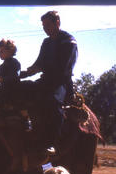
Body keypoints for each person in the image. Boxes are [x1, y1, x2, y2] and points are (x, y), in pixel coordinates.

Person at [20, 10, 78, 143]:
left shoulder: (69, 41)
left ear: (57, 22)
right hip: (46, 80)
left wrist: (40, 68)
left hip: (61, 82)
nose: (45, 29)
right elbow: (38, 63)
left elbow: (63, 68)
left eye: (47, 25)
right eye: (43, 26)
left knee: (51, 100)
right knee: (21, 89)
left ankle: (51, 142)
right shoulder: (46, 42)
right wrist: (23, 74)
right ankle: (26, 124)